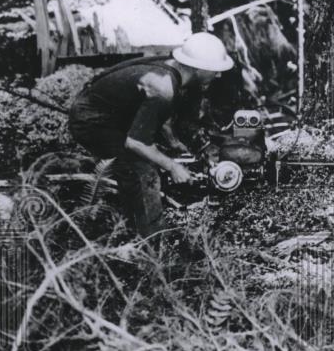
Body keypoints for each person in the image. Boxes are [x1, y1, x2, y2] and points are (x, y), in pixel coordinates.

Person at [68, 32, 235, 237]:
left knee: (157, 157)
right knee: (143, 172)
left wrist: (173, 142)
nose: (218, 76)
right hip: (92, 122)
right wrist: (173, 167)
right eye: (215, 70)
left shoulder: (173, 70)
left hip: (112, 114)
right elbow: (135, 142)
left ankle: (133, 219)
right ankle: (152, 245)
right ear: (199, 69)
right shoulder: (163, 87)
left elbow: (157, 115)